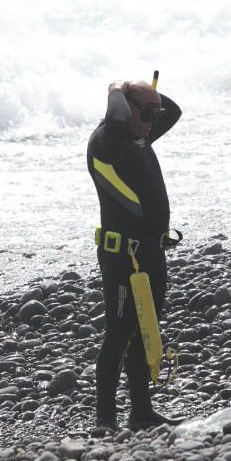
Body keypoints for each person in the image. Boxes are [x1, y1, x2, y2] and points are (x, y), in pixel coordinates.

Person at [86, 78, 183, 433]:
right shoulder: (108, 142)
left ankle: (141, 412)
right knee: (119, 332)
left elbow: (173, 111)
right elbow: (114, 119)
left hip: (152, 253)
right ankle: (105, 418)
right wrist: (116, 90)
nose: (154, 119)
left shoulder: (140, 136)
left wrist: (149, 100)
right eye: (146, 112)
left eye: (153, 113)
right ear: (125, 111)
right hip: (121, 256)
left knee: (147, 330)